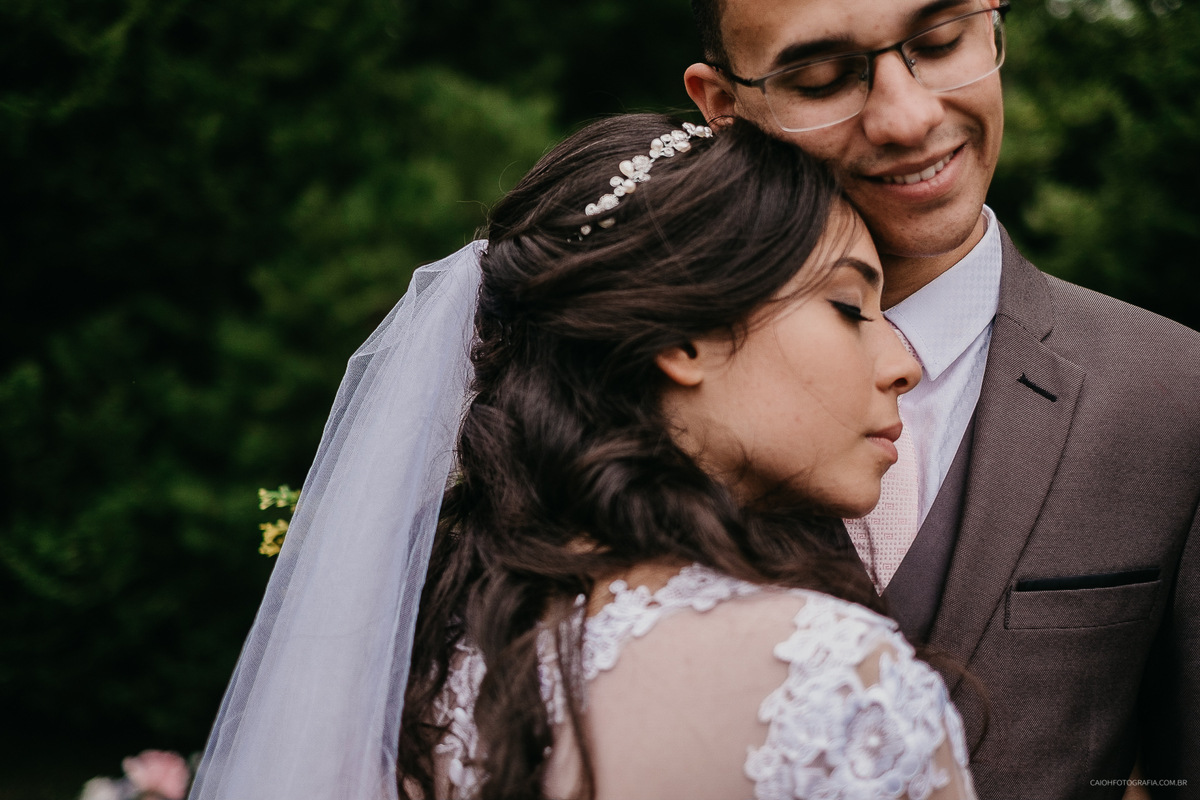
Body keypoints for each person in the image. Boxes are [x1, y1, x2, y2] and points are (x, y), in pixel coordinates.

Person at [190, 114, 978, 800]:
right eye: (849, 306)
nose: (903, 362)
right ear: (683, 336)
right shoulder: (835, 679)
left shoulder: (427, 662)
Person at [682, 0, 1200, 796]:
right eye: (822, 78)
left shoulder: (1176, 394)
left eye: (939, 42)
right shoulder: (640, 390)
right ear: (724, 107)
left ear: (993, 28)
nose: (907, 118)